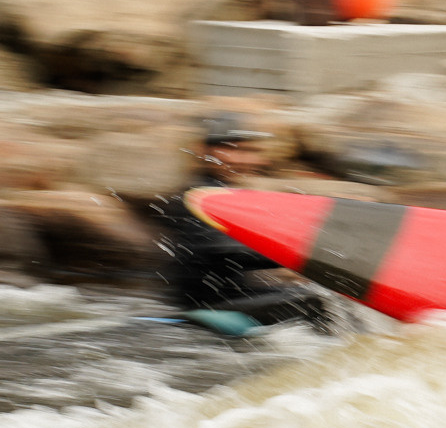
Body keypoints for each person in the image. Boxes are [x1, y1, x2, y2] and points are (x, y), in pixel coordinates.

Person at [142, 115, 335, 334]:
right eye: (235, 150)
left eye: (252, 152)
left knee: (318, 293)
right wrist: (299, 255)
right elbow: (222, 249)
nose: (247, 160)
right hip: (205, 309)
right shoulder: (195, 197)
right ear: (204, 152)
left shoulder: (224, 193)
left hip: (232, 296)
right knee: (321, 300)